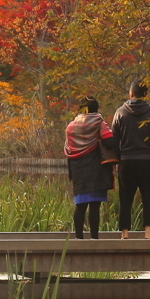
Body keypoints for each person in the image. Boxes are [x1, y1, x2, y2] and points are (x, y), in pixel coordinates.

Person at [111, 81, 150, 239]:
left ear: (131, 93)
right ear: (145, 94)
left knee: (125, 198)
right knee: (149, 197)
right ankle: (148, 233)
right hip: (148, 161)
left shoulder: (120, 113)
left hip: (127, 161)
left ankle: (124, 233)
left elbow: (114, 141)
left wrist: (118, 160)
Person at [64, 96, 116, 239]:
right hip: (94, 168)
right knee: (94, 205)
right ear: (96, 108)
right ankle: (94, 238)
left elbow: (69, 148)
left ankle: (78, 238)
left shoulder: (71, 126)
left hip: (77, 169)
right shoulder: (98, 122)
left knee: (80, 205)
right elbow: (110, 142)